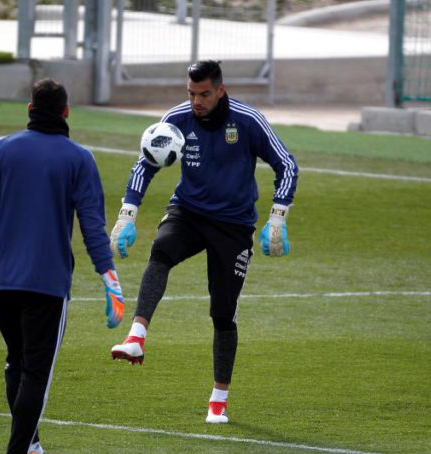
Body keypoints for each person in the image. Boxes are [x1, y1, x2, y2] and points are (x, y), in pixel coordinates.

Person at [0, 78, 125, 454]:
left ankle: (31, 452)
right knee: (37, 374)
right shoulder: (79, 159)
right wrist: (110, 278)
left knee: (17, 364)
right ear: (66, 113)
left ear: (30, 108)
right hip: (46, 285)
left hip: (3, 283)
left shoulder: (0, 151)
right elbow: (93, 227)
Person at [108, 60, 298, 424]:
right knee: (161, 251)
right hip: (189, 212)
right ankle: (136, 336)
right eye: (191, 93)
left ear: (221, 90)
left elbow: (286, 164)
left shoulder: (247, 121)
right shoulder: (177, 118)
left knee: (223, 313)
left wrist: (278, 216)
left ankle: (218, 399)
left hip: (234, 225)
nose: (196, 101)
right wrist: (127, 214)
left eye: (204, 94)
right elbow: (145, 163)